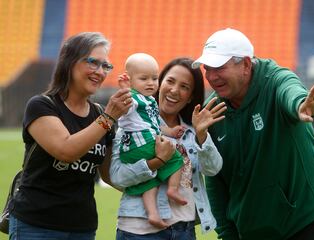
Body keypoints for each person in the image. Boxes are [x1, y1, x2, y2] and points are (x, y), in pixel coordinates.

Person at [192, 27, 314, 240]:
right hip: (253, 230)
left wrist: (301, 105)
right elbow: (215, 180)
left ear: (246, 65)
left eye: (219, 68)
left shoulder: (276, 79)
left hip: (305, 219)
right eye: (207, 69)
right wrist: (226, 232)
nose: (211, 77)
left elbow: (290, 90)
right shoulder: (211, 111)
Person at [8, 32, 132, 240]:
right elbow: (66, 151)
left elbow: (111, 174)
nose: (100, 72)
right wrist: (110, 117)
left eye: (105, 66)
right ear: (69, 62)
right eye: (93, 62)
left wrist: (157, 175)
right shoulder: (42, 105)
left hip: (82, 228)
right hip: (36, 226)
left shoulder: (100, 114)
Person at [110, 57, 227, 239]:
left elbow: (213, 169)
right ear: (160, 83)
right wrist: (157, 162)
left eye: (184, 87)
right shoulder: (132, 124)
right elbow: (117, 177)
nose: (174, 90)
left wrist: (202, 134)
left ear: (190, 97)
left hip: (184, 230)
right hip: (139, 229)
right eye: (170, 81)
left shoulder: (191, 131)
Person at [116, 53, 187, 228]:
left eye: (155, 78)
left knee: (149, 179)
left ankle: (153, 214)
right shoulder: (135, 99)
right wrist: (125, 90)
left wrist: (169, 130)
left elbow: (153, 125)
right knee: (177, 157)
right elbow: (126, 107)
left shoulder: (148, 101)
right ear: (130, 80)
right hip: (141, 145)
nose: (150, 83)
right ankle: (173, 189)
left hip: (133, 149)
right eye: (144, 78)